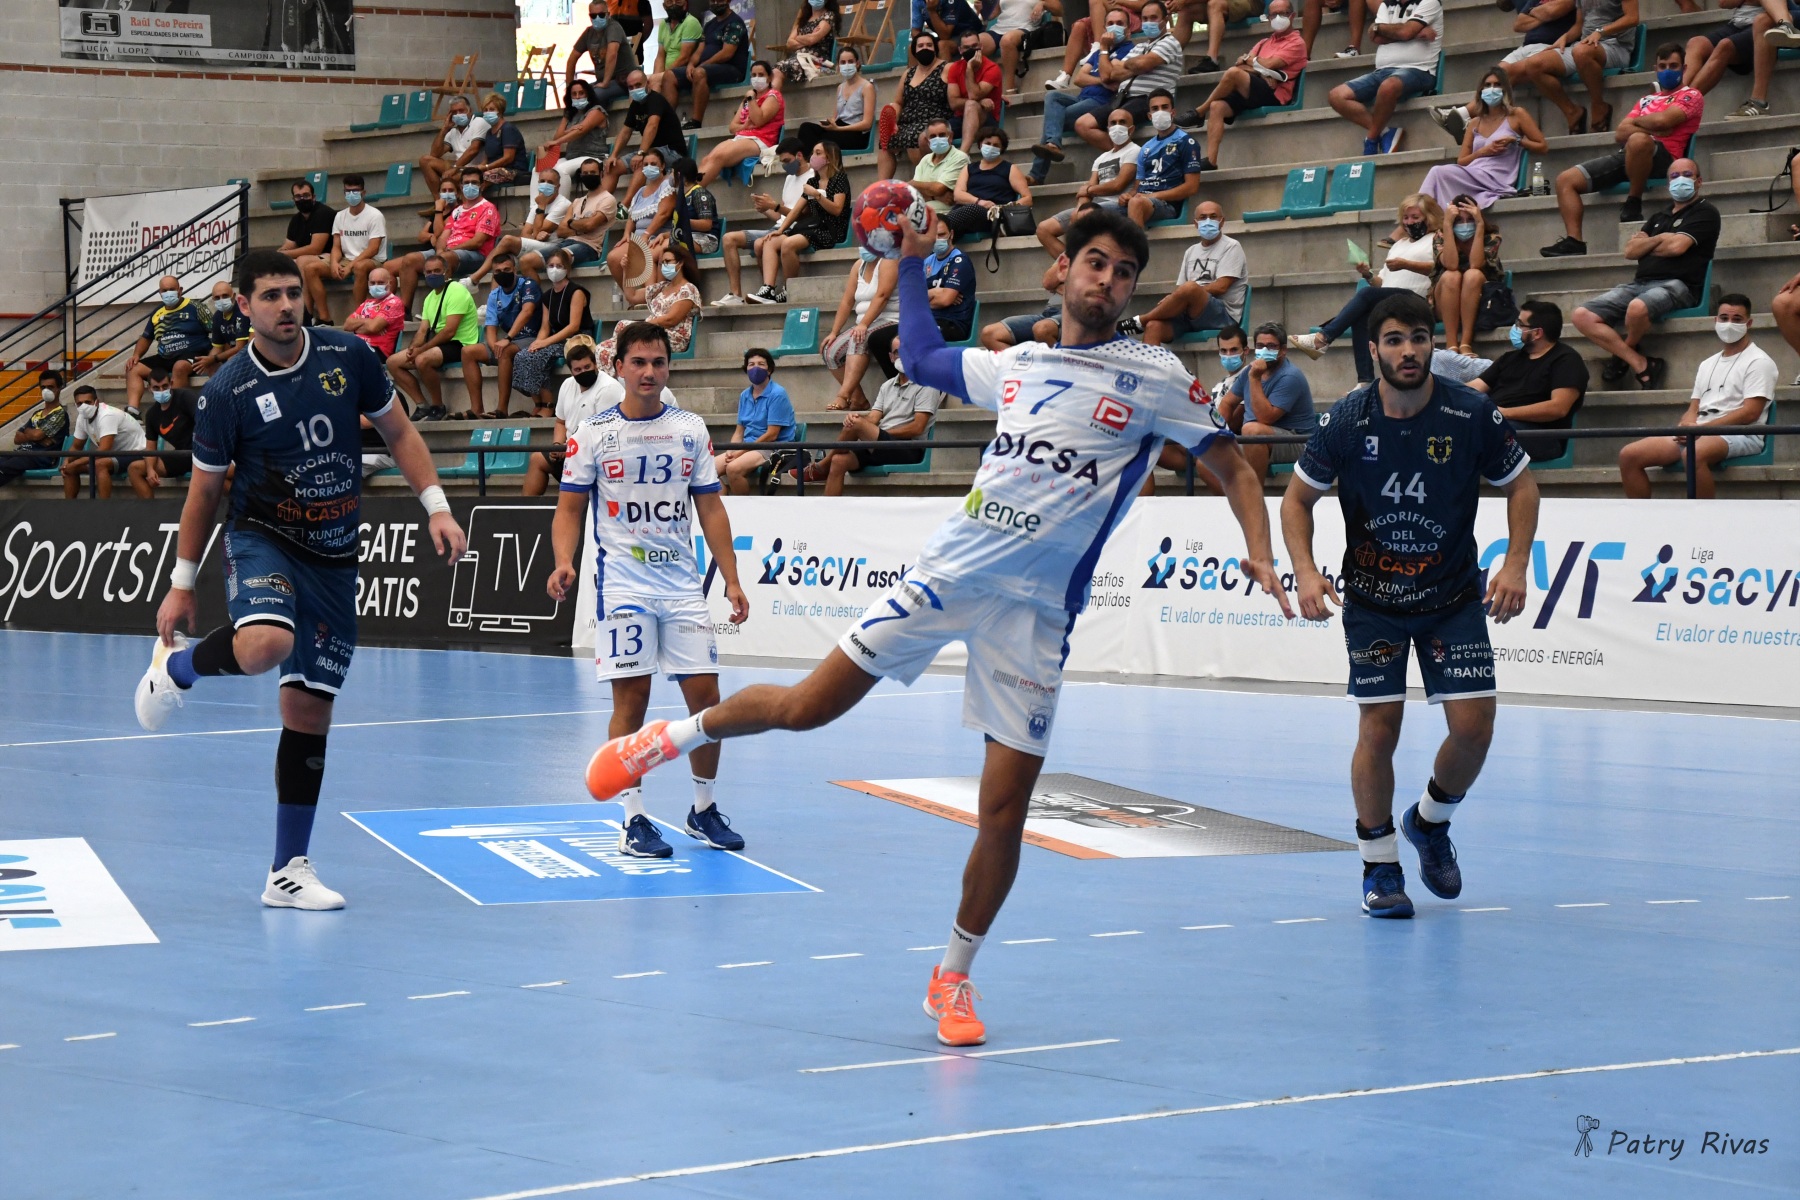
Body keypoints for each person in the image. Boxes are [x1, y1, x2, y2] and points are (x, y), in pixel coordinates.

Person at [580, 206, 1292, 1048]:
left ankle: (953, 977)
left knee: (1005, 810)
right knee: (808, 708)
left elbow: (1234, 469)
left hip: (1037, 617)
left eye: (1124, 272)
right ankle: (667, 739)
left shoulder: (1155, 375)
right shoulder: (1020, 363)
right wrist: (913, 261)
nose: (1107, 280)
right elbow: (918, 358)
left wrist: (1266, 552)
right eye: (1095, 263)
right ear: (1063, 271)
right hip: (948, 575)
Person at [133, 249, 467, 910]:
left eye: (293, 292)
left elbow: (400, 434)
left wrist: (437, 506)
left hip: (335, 552)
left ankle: (286, 871)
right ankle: (176, 669)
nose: (286, 305)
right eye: (271, 296)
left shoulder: (349, 355)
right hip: (264, 537)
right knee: (266, 643)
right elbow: (204, 494)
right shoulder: (227, 391)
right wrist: (180, 582)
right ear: (244, 306)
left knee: (309, 712)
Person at [1282, 290, 1538, 920]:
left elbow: (1522, 486)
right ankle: (1379, 867)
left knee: (1474, 728)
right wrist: (1306, 572)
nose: (1408, 351)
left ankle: (1429, 822)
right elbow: (1295, 501)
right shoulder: (1348, 419)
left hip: (1452, 596)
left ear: (1432, 347)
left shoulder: (1470, 413)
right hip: (1374, 601)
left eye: (1419, 338)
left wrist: (1515, 563)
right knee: (1380, 729)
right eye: (1394, 340)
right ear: (1374, 350)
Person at [549, 324, 753, 857]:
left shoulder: (690, 429)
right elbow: (569, 508)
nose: (649, 372)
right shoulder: (592, 433)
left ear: (668, 367)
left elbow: (711, 507)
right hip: (623, 585)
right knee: (632, 700)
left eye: (658, 362)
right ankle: (632, 819)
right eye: (638, 362)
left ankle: (703, 809)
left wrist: (731, 578)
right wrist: (564, 561)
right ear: (618, 367)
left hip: (682, 584)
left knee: (706, 700)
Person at [1539, 46, 1704, 257]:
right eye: (1662, 66)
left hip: (1666, 158)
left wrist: (1641, 124)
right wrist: (1652, 127)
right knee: (1566, 180)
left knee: (1637, 139)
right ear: (1655, 69)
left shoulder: (1691, 95)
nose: (1667, 71)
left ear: (1684, 68)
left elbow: (1663, 121)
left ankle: (1633, 202)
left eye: (1673, 66)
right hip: (1629, 154)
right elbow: (1620, 132)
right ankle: (1574, 241)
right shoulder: (1646, 100)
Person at [1569, 158, 1717, 390]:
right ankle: (1640, 362)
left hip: (1680, 285)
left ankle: (1624, 352)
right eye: (1674, 176)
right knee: (1581, 316)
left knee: (1637, 308)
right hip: (1640, 284)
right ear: (1668, 183)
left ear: (1699, 181)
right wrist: (1661, 238)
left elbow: (1677, 247)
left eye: (1687, 175)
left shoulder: (1705, 212)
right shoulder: (1659, 217)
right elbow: (1630, 251)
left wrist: (1648, 244)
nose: (1680, 180)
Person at [1617, 295, 1777, 498]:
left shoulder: (1759, 362)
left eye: (1737, 319)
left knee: (1692, 454)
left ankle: (1703, 515)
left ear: (1749, 323)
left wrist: (1702, 429)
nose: (1729, 324)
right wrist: (1687, 426)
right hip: (1701, 431)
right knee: (1629, 455)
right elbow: (1694, 407)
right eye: (1724, 318)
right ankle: (1641, 516)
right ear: (1715, 321)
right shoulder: (1707, 364)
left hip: (1742, 434)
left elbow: (1750, 413)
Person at [1289, 193, 1441, 383]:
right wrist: (1368, 274)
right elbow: (1382, 283)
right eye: (1406, 217)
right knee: (1362, 313)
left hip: (1417, 300)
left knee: (1366, 294)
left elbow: (1442, 267)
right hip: (1392, 300)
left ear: (1429, 217)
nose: (1409, 222)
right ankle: (1364, 380)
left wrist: (1406, 264)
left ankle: (1322, 338)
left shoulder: (1436, 239)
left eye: (1415, 217)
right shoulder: (1398, 245)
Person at [795, 331, 946, 492]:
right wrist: (858, 421)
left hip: (909, 448)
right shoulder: (887, 386)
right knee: (839, 460)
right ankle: (828, 505)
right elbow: (873, 418)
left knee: (857, 425)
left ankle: (821, 467)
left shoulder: (927, 385)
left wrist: (875, 432)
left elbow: (918, 428)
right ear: (891, 357)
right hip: (881, 444)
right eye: (897, 352)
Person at [1189, 0, 1308, 171]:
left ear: (1292, 15)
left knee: (1233, 74)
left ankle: (1200, 111)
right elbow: (1241, 64)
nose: (1278, 18)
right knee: (1217, 106)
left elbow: (1269, 64)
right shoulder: (1263, 42)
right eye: (1273, 14)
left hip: (1275, 94)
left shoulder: (1296, 43)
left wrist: (1251, 62)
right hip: (1255, 87)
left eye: (1283, 13)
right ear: (1268, 17)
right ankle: (1211, 160)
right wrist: (1261, 71)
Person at [1464, 300, 1588, 462]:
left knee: (1483, 430)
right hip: (1497, 422)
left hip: (1540, 436)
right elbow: (1474, 388)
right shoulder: (1509, 358)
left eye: (1520, 324)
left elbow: (1558, 408)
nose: (1515, 328)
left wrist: (1503, 413)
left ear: (1537, 333)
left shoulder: (1566, 360)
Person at [1419, 71, 1547, 211]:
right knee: (1438, 174)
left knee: (1437, 171)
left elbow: (1542, 146)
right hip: (1473, 173)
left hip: (1497, 178)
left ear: (1505, 89)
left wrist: (1517, 141)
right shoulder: (1475, 122)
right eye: (1487, 85)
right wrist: (1482, 152)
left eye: (1497, 85)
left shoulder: (1517, 114)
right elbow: (1462, 161)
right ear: (1481, 91)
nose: (1492, 89)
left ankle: (1421, 211)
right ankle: (1422, 213)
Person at [1327, 0, 1442, 154]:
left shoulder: (1430, 2)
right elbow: (1376, 37)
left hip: (1419, 69)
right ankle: (1385, 132)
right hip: (1382, 71)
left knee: (1388, 86)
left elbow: (1404, 32)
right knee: (1336, 96)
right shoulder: (1386, 4)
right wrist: (1412, 33)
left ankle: (1371, 138)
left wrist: (1387, 29)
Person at [1029, 9, 1130, 183]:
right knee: (1052, 97)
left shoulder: (1128, 49)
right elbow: (1079, 79)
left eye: (1120, 24)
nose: (1114, 27)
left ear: (1128, 30)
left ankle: (1036, 173)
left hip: (1102, 102)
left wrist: (1103, 56)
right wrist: (1101, 81)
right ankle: (1052, 145)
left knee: (1054, 119)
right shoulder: (1098, 53)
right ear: (1104, 28)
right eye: (1110, 23)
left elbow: (1109, 75)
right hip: (1082, 99)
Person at [1123, 200, 1247, 342]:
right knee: (1153, 326)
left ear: (1222, 222)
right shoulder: (1191, 251)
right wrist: (1179, 297)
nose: (1208, 221)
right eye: (1203, 217)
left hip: (1222, 315)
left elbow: (1221, 286)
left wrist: (1189, 293)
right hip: (1190, 312)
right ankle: (1147, 337)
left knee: (1190, 288)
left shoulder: (1231, 246)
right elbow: (1180, 289)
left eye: (1213, 217)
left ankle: (1142, 320)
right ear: (1195, 223)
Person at [1512, 0, 1640, 135]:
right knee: (1534, 64)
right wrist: (1566, 37)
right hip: (1584, 45)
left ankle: (1598, 105)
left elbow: (1632, 18)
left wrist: (1600, 32)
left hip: (1616, 46)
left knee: (1581, 52)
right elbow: (1579, 25)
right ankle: (1572, 112)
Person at [748, 140, 851, 305]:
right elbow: (796, 211)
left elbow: (837, 209)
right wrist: (780, 230)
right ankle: (768, 289)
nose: (813, 156)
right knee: (770, 241)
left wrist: (817, 195)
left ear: (829, 158)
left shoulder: (839, 179)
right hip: (811, 226)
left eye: (818, 153)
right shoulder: (812, 182)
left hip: (830, 229)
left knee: (788, 244)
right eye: (813, 152)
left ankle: (789, 289)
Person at [714, 139, 815, 305]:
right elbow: (781, 215)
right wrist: (766, 209)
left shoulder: (812, 177)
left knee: (761, 243)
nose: (785, 166)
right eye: (782, 162)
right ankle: (736, 295)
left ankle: (768, 290)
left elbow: (803, 216)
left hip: (796, 229)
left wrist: (774, 206)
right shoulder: (789, 178)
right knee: (728, 239)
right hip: (779, 227)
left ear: (799, 155)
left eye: (787, 161)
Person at [387, 167, 500, 313]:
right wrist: (440, 251)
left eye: (474, 182)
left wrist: (447, 252)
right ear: (461, 186)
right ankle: (404, 311)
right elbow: (443, 236)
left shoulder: (488, 208)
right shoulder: (458, 210)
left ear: (482, 186)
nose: (470, 186)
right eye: (466, 183)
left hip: (476, 255)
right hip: (449, 252)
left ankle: (439, 309)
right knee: (410, 260)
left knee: (444, 259)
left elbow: (477, 241)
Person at [1072, 1, 1183, 148]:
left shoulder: (1170, 42)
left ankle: (1128, 158)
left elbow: (1142, 64)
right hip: (1122, 98)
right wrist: (1104, 48)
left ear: (1165, 19)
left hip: (1149, 99)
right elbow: (1110, 75)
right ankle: (1125, 156)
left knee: (1118, 118)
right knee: (1082, 124)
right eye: (1145, 19)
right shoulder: (1140, 47)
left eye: (1153, 18)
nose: (1148, 22)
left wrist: (1129, 64)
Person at [1036, 108, 1138, 256]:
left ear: (1131, 129)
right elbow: (1087, 188)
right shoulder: (1101, 158)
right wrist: (1079, 208)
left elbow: (1118, 185)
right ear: (1108, 128)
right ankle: (1074, 265)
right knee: (1044, 229)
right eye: (1113, 123)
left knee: (1085, 217)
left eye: (1122, 122)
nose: (1117, 126)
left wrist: (1090, 191)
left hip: (1118, 206)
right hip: (1093, 207)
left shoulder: (1134, 151)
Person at [388, 255, 479, 421]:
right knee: (393, 362)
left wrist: (421, 350)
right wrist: (413, 348)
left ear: (447, 272)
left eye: (437, 271)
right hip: (440, 343)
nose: (432, 275)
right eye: (429, 272)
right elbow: (423, 330)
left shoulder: (457, 290)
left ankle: (438, 406)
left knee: (422, 360)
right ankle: (422, 405)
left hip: (460, 343)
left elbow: (450, 331)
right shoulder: (429, 298)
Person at [1219, 322, 1316, 476]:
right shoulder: (1249, 371)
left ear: (1283, 350)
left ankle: (1254, 491)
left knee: (1252, 431)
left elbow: (1265, 418)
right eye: (1260, 346)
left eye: (1271, 346)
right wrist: (1216, 430)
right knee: (1208, 462)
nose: (1264, 350)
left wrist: (1255, 378)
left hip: (1296, 442)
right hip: (1255, 439)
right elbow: (1227, 403)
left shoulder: (1290, 376)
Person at [513, 248, 593, 415]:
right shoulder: (547, 296)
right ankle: (538, 402)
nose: (554, 269)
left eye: (559, 266)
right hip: (556, 340)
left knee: (538, 357)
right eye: (551, 266)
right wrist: (537, 343)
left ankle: (548, 404)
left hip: (576, 340)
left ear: (567, 269)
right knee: (523, 355)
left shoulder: (576, 292)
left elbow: (573, 326)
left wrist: (545, 342)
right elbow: (545, 326)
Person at [597, 244, 703, 370]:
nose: (664, 266)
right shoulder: (662, 287)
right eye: (662, 263)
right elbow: (632, 296)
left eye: (668, 261)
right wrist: (627, 271)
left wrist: (644, 326)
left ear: (680, 263)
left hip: (671, 338)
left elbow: (671, 319)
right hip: (651, 332)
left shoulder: (688, 289)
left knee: (619, 341)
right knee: (603, 347)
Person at [462, 253, 539, 420]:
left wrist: (507, 339)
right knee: (468, 352)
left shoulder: (527, 285)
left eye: (506, 269)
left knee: (505, 350)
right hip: (510, 341)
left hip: (532, 337)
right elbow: (491, 327)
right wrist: (493, 346)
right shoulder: (494, 295)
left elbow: (527, 312)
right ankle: (476, 409)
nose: (502, 273)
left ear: (515, 270)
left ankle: (501, 409)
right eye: (497, 271)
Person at [1684, 0, 1794, 117]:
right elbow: (1724, 2)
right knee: (1696, 43)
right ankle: (1676, 96)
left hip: (1774, 20)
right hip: (1738, 22)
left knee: (1725, 46)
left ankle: (1683, 105)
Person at [301, 174, 387, 323]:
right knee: (310, 269)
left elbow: (373, 249)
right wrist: (334, 263)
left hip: (372, 260)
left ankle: (359, 315)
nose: (351, 194)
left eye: (355, 191)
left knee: (360, 267)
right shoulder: (340, 216)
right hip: (346, 259)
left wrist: (350, 266)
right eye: (348, 191)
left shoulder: (375, 215)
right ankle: (325, 318)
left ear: (363, 193)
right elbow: (336, 246)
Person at [822, 248, 900, 410]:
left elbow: (883, 296)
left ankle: (843, 395)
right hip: (864, 323)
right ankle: (859, 399)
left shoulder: (889, 260)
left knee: (858, 338)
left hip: (891, 319)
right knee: (830, 351)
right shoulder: (858, 265)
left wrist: (864, 324)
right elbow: (847, 301)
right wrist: (834, 332)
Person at [126, 276, 211, 416]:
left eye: (172, 289)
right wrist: (136, 355)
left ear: (180, 290)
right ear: (160, 293)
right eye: (164, 290)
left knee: (179, 367)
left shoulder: (196, 307)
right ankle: (133, 412)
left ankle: (175, 414)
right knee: (132, 368)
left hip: (192, 354)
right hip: (165, 357)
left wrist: (214, 356)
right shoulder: (157, 312)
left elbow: (215, 330)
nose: (168, 293)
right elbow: (146, 337)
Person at [715, 348, 796, 494]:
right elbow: (739, 431)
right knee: (706, 470)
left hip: (771, 447)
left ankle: (745, 507)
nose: (755, 368)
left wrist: (740, 452)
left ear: (769, 369)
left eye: (761, 364)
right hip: (749, 445)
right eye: (751, 364)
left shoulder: (778, 394)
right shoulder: (744, 395)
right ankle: (724, 502)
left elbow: (772, 435)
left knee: (733, 469)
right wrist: (731, 450)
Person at [878, 33, 954, 181]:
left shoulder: (946, 67)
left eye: (929, 45)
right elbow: (898, 102)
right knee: (885, 140)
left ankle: (924, 180)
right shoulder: (908, 73)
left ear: (935, 48)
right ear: (914, 50)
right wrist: (893, 120)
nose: (925, 48)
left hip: (933, 120)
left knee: (913, 137)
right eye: (920, 46)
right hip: (908, 121)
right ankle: (881, 186)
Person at [605, 69, 693, 196]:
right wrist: (613, 155)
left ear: (648, 83)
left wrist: (641, 153)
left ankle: (625, 205)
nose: (635, 89)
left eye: (638, 85)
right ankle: (601, 204)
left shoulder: (656, 100)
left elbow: (652, 125)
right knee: (613, 167)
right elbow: (625, 132)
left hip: (672, 152)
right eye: (631, 87)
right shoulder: (635, 105)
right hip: (651, 152)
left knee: (644, 163)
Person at [1434, 195, 1502, 356]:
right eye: (1459, 220)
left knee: (1472, 275)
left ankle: (1466, 343)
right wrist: (1447, 225)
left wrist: (1479, 226)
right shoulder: (1441, 236)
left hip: (1481, 301)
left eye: (1470, 219)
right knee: (1452, 276)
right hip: (1444, 301)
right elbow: (1451, 264)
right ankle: (1451, 345)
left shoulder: (1492, 238)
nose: (1465, 225)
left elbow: (1476, 264)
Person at [697, 61, 785, 187]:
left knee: (719, 157)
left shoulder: (773, 96)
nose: (757, 78)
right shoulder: (749, 97)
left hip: (761, 140)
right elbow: (732, 127)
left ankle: (693, 193)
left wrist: (751, 99)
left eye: (761, 75)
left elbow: (758, 120)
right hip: (742, 136)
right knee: (707, 159)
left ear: (770, 77)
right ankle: (692, 191)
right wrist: (744, 126)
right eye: (753, 75)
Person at [607, 146, 679, 298]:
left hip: (659, 236)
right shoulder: (640, 191)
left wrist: (647, 234)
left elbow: (663, 214)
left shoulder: (667, 185)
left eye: (653, 164)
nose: (649, 167)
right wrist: (627, 234)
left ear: (662, 166)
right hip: (639, 237)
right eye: (645, 164)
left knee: (644, 254)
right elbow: (632, 217)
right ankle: (633, 297)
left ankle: (652, 298)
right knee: (613, 258)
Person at [1125, 91, 1202, 225]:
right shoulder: (1146, 147)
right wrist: (1127, 196)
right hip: (1140, 200)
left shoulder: (1186, 142)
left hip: (1166, 204)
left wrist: (1151, 196)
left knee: (1136, 203)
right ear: (1150, 116)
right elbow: (1137, 187)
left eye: (1164, 107)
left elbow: (1192, 187)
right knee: (1090, 210)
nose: (1160, 112)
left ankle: (1137, 240)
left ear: (1173, 112)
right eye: (1155, 109)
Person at [671, 0, 750, 127]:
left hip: (732, 69)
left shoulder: (735, 23)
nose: (716, 3)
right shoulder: (709, 25)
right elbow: (699, 50)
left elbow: (727, 53)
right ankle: (668, 123)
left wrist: (703, 65)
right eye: (713, 0)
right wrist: (691, 64)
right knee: (669, 76)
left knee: (699, 73)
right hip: (706, 68)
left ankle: (696, 121)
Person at [945, 129, 1034, 239]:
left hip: (991, 217)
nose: (991, 147)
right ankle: (941, 233)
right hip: (966, 212)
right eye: (987, 143)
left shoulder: (1010, 169)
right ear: (980, 144)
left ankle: (941, 229)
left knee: (971, 210)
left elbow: (1027, 199)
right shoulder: (969, 168)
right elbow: (958, 195)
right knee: (940, 219)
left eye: (996, 145)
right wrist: (980, 202)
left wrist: (1003, 209)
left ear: (1002, 148)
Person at [127, 362, 199, 498]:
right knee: (134, 469)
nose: (161, 391)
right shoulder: (152, 415)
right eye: (156, 388)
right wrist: (150, 470)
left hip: (203, 452)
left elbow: (204, 422)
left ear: (171, 384)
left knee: (226, 474)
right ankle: (151, 510)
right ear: (149, 389)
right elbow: (150, 448)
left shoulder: (185, 397)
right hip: (182, 456)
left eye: (165, 386)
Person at [62, 387, 147, 499]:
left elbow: (104, 450)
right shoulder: (82, 417)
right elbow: (76, 447)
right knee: (69, 469)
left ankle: (103, 506)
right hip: (115, 455)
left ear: (96, 402)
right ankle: (69, 506)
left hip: (137, 453)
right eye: (80, 403)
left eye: (87, 402)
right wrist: (67, 462)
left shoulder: (107, 415)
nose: (84, 406)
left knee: (99, 464)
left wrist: (76, 463)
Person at [798, 46, 879, 154]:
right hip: (838, 128)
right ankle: (809, 161)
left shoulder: (867, 87)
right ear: (839, 66)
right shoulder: (840, 87)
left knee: (822, 143)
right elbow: (835, 117)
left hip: (855, 133)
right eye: (843, 62)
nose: (847, 65)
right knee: (806, 128)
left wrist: (838, 129)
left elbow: (867, 123)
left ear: (857, 64)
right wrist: (829, 123)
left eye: (850, 62)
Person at [542, 79, 613, 199]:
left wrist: (559, 140)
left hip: (592, 156)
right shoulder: (571, 114)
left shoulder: (597, 111)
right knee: (540, 170)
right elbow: (558, 136)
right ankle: (535, 206)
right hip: (571, 157)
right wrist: (569, 127)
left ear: (588, 94)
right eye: (574, 94)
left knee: (561, 170)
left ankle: (561, 206)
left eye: (581, 93)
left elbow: (581, 131)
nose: (578, 97)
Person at [0, 371, 71, 489]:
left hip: (40, 457)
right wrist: (36, 437)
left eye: (50, 387)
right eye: (43, 387)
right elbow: (17, 438)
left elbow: (36, 435)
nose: (46, 391)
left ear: (59, 388)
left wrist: (29, 433)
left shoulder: (60, 414)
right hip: (22, 452)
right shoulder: (37, 413)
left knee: (4, 468)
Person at [566, 0, 638, 106]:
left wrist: (605, 82)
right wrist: (569, 88)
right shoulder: (589, 33)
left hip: (623, 81)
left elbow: (612, 54)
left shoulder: (614, 27)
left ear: (608, 15)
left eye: (601, 15)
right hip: (602, 82)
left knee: (595, 95)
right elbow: (572, 59)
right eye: (593, 16)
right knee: (579, 94)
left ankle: (598, 116)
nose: (597, 18)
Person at [982, 259, 1066, 350]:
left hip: (1070, 316)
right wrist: (1069, 255)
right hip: (1048, 314)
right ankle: (1022, 359)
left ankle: (1060, 358)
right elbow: (1047, 282)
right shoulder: (1070, 255)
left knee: (1042, 330)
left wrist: (1068, 288)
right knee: (989, 334)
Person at [418, 96, 490, 197]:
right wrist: (444, 129)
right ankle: (438, 200)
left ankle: (453, 201)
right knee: (425, 160)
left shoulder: (479, 122)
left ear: (470, 111)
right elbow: (434, 154)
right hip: (458, 169)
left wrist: (455, 167)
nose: (458, 114)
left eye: (461, 110)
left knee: (451, 179)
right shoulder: (452, 131)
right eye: (454, 112)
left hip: (475, 169)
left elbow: (474, 150)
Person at [921, 215, 978, 342]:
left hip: (953, 323)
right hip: (929, 319)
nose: (937, 240)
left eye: (941, 235)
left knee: (916, 336)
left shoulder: (960, 261)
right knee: (888, 337)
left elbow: (945, 300)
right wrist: (936, 292)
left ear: (951, 234)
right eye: (933, 236)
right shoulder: (926, 262)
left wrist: (924, 298)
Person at [278, 179, 335, 302]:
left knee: (302, 261)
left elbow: (315, 249)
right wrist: (279, 254)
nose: (302, 199)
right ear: (293, 199)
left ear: (313, 197)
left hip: (331, 256)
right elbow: (289, 245)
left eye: (306, 195)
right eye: (298, 197)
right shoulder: (296, 220)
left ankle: (306, 309)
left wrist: (284, 254)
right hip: (311, 257)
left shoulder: (323, 214)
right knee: (277, 263)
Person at [946, 29, 1003, 152]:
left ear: (981, 46)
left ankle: (963, 154)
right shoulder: (955, 68)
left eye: (974, 46)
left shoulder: (992, 68)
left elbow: (973, 95)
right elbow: (953, 103)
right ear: (960, 50)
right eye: (966, 48)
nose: (971, 50)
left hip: (987, 118)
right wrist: (980, 101)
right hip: (960, 118)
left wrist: (969, 69)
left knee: (971, 105)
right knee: (929, 134)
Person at [910, 118, 972, 219]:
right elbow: (914, 193)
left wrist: (912, 183)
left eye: (942, 135)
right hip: (923, 214)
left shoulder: (960, 158)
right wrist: (936, 197)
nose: (937, 139)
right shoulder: (925, 160)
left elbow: (938, 188)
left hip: (947, 215)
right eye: (933, 136)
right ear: (927, 141)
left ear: (950, 136)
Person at [773, 0, 841, 91]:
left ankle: (772, 98)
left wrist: (798, 37)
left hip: (815, 60)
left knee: (778, 71)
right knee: (774, 71)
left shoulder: (829, 16)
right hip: (798, 58)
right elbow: (789, 43)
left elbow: (812, 39)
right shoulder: (804, 18)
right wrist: (808, 37)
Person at [342, 266, 406, 361]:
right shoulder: (367, 303)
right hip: (359, 345)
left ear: (390, 283)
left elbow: (373, 327)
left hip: (378, 350)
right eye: (372, 283)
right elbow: (347, 325)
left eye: (380, 283)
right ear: (368, 284)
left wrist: (358, 326)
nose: (376, 286)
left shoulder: (394, 302)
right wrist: (368, 321)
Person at [664, 156, 720, 258]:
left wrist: (684, 221)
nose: (670, 176)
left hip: (706, 239)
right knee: (658, 244)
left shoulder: (699, 193)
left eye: (672, 172)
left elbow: (707, 224)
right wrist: (663, 235)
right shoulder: (681, 196)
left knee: (666, 246)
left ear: (679, 175)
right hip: (688, 235)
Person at [476, 93, 529, 193]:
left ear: (500, 111)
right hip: (492, 168)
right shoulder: (489, 133)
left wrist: (487, 167)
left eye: (491, 109)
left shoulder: (508, 129)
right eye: (485, 110)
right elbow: (486, 159)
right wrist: (478, 168)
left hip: (513, 170)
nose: (488, 113)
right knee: (470, 175)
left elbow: (508, 158)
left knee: (482, 178)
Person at [198, 281, 251, 374]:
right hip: (232, 352)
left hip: (249, 352)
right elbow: (217, 347)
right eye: (217, 298)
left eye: (225, 296)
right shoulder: (217, 316)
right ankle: (215, 384)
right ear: (213, 299)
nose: (221, 300)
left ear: (233, 296)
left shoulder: (241, 312)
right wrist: (207, 361)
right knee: (210, 365)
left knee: (231, 360)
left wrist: (214, 358)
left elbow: (240, 347)